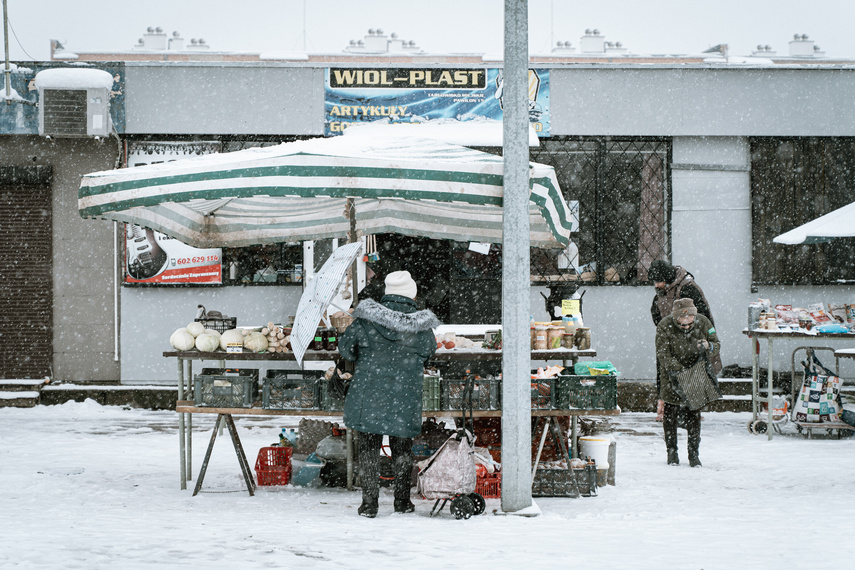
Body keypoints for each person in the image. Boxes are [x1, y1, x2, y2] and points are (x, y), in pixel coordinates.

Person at [337, 270, 441, 518]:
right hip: (404, 394)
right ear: (411, 295)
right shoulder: (421, 327)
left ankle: (369, 504)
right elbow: (428, 352)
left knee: (369, 447)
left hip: (369, 393)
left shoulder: (365, 320)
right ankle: (402, 501)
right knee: (402, 448)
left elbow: (346, 351)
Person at [647, 260, 720, 421]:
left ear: (667, 278)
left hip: (691, 339)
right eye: (655, 282)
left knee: (690, 373)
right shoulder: (663, 292)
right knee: (666, 374)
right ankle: (667, 411)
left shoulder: (688, 288)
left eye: (659, 281)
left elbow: (703, 316)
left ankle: (691, 412)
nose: (657, 285)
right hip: (668, 342)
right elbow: (657, 315)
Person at [655, 298, 720, 467]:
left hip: (696, 372)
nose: (686, 326)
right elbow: (663, 354)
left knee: (694, 415)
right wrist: (680, 371)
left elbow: (716, 344)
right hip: (671, 374)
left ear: (694, 317)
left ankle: (694, 454)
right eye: (682, 324)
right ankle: (672, 452)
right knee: (670, 413)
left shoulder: (704, 322)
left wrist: (709, 346)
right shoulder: (664, 325)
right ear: (675, 319)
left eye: (689, 323)